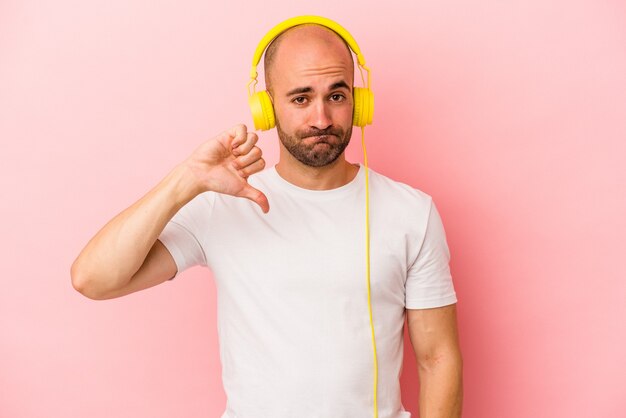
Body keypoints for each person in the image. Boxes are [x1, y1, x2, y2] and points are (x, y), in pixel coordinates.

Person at [71, 17, 463, 418]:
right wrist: (186, 180)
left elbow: (438, 359)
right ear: (267, 107)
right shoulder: (222, 205)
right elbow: (94, 279)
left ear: (359, 103)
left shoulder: (411, 212)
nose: (321, 119)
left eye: (337, 96)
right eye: (300, 99)